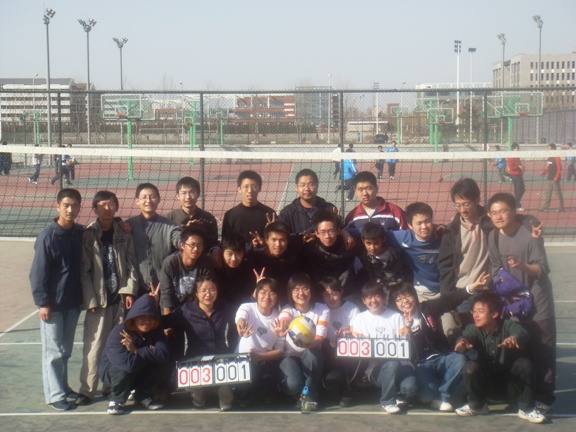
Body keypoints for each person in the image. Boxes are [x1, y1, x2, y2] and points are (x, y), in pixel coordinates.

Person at [487, 192, 556, 410]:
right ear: (489, 215)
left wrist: (521, 267)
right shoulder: (493, 236)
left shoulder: (530, 232)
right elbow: (495, 268)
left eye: (503, 211)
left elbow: (541, 269)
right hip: (514, 304)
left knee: (543, 351)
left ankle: (544, 397)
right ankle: (521, 393)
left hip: (538, 302)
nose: (499, 216)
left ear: (514, 210)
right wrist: (505, 289)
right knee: (518, 350)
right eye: (494, 213)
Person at [76, 191, 139, 406]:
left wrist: (129, 290)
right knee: (94, 347)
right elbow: (84, 271)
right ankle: (87, 390)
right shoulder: (89, 234)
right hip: (99, 302)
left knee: (118, 346)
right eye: (102, 204)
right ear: (94, 208)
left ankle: (112, 385)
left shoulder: (123, 232)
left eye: (111, 204)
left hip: (119, 300)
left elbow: (131, 264)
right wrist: (91, 301)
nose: (107, 208)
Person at [390, 280, 487, 412]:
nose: (405, 301)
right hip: (421, 363)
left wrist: (470, 288)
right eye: (399, 299)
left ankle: (443, 396)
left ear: (415, 295)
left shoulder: (427, 308)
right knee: (426, 397)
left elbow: (449, 301)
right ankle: (435, 392)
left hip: (442, 356)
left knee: (460, 360)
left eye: (407, 296)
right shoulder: (394, 320)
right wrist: (407, 329)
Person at [454, 292, 546, 424]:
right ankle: (477, 406)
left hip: (510, 387)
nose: (475, 315)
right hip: (487, 387)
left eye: (480, 311)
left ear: (494, 314)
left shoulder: (508, 325)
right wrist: (462, 342)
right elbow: (466, 336)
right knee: (470, 367)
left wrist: (514, 338)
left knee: (525, 364)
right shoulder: (473, 329)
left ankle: (526, 408)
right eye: (474, 311)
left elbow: (522, 333)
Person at [29, 188, 84, 411]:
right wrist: (42, 302)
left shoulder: (81, 233)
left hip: (73, 303)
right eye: (66, 205)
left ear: (79, 207)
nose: (70, 210)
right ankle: (54, 395)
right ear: (58, 206)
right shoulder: (47, 236)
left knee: (65, 351)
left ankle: (63, 387)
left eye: (74, 206)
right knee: (53, 352)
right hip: (52, 306)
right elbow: (38, 273)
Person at [161, 275, 237, 411]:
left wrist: (254, 295)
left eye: (212, 290)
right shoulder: (186, 310)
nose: (208, 294)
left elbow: (244, 313)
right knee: (190, 382)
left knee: (227, 385)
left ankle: (224, 396)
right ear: (196, 293)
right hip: (195, 357)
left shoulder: (225, 307)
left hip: (220, 356)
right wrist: (152, 304)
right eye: (203, 290)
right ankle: (198, 395)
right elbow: (164, 321)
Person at [349, 281, 417, 414]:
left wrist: (408, 328)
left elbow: (404, 342)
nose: (373, 301)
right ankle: (388, 401)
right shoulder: (359, 319)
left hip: (402, 365)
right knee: (391, 364)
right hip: (376, 367)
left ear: (384, 297)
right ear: (363, 301)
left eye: (377, 296)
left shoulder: (396, 316)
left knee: (410, 389)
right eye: (369, 297)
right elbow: (358, 348)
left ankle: (398, 394)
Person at [99, 291, 170, 415]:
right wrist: (149, 351)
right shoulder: (120, 332)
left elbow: (164, 356)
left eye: (151, 318)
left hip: (137, 367)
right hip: (114, 370)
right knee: (121, 369)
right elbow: (128, 365)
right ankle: (117, 399)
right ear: (134, 317)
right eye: (143, 317)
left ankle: (143, 395)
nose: (147, 321)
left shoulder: (156, 332)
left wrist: (137, 350)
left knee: (161, 364)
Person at [277, 272, 330, 410]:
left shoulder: (322, 309)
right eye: (296, 289)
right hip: (290, 356)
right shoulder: (287, 309)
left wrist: (307, 344)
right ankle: (298, 393)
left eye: (305, 289)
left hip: (311, 353)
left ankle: (309, 397)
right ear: (290, 293)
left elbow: (319, 337)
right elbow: (284, 319)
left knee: (312, 355)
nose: (301, 293)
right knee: (292, 386)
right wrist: (282, 328)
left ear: (311, 291)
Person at [235, 278, 285, 405]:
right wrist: (241, 325)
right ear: (256, 294)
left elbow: (280, 351)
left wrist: (259, 357)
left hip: (265, 360)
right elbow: (241, 316)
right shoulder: (248, 307)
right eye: (263, 292)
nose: (267, 297)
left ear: (277, 297)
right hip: (243, 359)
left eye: (272, 293)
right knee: (242, 395)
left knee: (267, 395)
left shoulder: (280, 317)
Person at [126, 183, 181, 295]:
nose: (148, 201)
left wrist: (186, 239)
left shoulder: (170, 226)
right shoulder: (128, 226)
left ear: (159, 199)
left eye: (152, 197)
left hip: (164, 287)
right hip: (137, 287)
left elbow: (179, 239)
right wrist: (117, 221)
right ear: (137, 201)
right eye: (144, 197)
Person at [385, 202, 443, 302]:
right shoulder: (405, 238)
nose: (424, 226)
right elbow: (376, 233)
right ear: (410, 225)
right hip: (422, 291)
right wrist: (352, 232)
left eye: (427, 221)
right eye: (419, 223)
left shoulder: (443, 236)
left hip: (446, 288)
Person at [319, 277, 358, 407]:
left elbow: (357, 332)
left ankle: (349, 389)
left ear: (341, 292)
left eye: (334, 293)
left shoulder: (352, 309)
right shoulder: (320, 309)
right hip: (329, 352)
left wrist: (350, 334)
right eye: (326, 294)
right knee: (332, 381)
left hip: (348, 352)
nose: (331, 298)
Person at [302, 210, 360, 292]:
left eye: (331, 231)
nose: (327, 236)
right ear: (316, 233)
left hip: (347, 293)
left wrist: (344, 231)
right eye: (322, 232)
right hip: (319, 294)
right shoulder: (310, 247)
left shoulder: (349, 244)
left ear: (338, 231)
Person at [221, 170, 276, 244]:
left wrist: (266, 240)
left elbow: (276, 242)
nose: (250, 190)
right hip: (239, 252)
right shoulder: (230, 215)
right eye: (246, 187)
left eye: (254, 186)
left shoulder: (270, 214)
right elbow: (226, 243)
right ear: (239, 189)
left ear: (259, 188)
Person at [166, 176, 219, 250]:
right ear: (178, 196)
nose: (188, 197)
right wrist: (186, 230)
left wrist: (215, 250)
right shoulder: (169, 218)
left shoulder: (208, 218)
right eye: (183, 193)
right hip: (178, 256)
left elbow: (213, 243)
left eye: (192, 192)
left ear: (198, 194)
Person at [279, 168, 337, 235]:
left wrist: (340, 227)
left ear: (317, 186)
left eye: (311, 184)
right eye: (302, 185)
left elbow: (338, 232)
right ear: (296, 187)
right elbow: (281, 235)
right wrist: (272, 228)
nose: (307, 189)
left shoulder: (329, 209)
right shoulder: (287, 213)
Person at [358, 222, 412, 290]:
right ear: (363, 241)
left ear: (383, 240)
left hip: (398, 290)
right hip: (378, 292)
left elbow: (407, 273)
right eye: (368, 243)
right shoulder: (364, 255)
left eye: (376, 243)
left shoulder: (397, 254)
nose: (372, 248)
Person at [215, 233, 255, 306]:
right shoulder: (216, 267)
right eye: (230, 254)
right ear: (222, 252)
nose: (234, 258)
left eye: (238, 254)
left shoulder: (248, 267)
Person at [539, 143, 565, 212]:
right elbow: (548, 167)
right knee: (547, 193)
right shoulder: (549, 157)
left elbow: (559, 168)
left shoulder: (556, 157)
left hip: (555, 179)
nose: (548, 150)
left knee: (557, 193)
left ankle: (561, 207)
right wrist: (544, 172)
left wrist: (556, 177)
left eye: (549, 148)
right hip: (549, 178)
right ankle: (545, 207)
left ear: (553, 149)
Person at [507, 143, 526, 211]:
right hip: (515, 175)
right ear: (513, 149)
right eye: (516, 149)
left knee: (522, 189)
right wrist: (518, 167)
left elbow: (519, 164)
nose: (518, 150)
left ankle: (514, 202)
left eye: (518, 148)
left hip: (519, 174)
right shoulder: (511, 157)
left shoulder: (517, 156)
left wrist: (522, 168)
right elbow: (511, 167)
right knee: (517, 190)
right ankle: (517, 205)